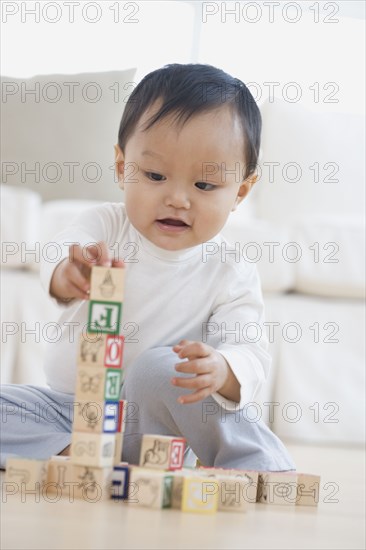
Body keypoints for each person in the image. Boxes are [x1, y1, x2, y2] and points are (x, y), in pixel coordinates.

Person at [0, 63, 295, 471]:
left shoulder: (230, 270)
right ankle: (83, 456)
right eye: (155, 175)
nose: (177, 198)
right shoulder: (105, 225)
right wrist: (70, 273)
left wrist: (222, 368)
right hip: (71, 411)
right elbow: (61, 249)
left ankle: (258, 463)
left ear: (240, 192)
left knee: (159, 369)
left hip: (159, 422)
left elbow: (249, 350)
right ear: (123, 168)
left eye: (204, 185)